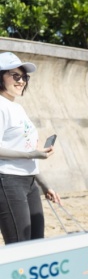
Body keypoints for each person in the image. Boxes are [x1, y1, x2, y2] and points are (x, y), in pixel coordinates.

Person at [0, 52, 61, 244]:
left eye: (24, 77)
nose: (21, 81)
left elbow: (28, 153)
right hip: (7, 180)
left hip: (30, 182)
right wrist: (30, 155)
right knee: (20, 244)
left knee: (36, 243)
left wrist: (44, 184)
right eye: (15, 76)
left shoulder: (17, 107)